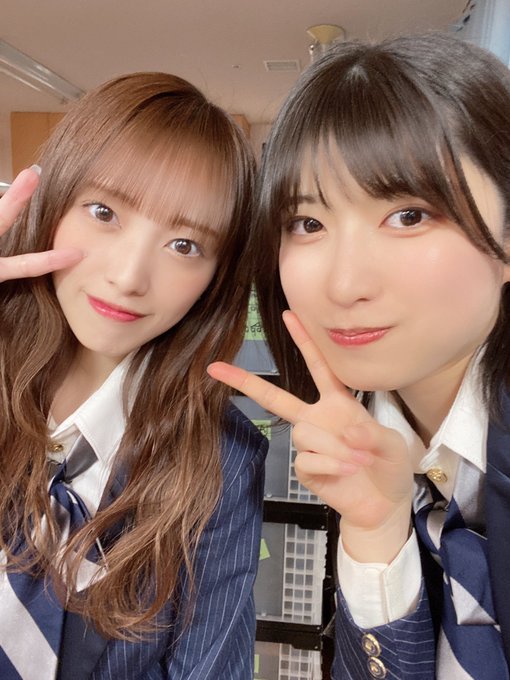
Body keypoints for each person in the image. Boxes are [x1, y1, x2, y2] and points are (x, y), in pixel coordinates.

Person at [208, 32, 510, 679]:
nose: (344, 284)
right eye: (308, 224)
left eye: (409, 215)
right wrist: (377, 535)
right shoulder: (366, 450)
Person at [0, 72, 267, 680]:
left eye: (185, 245)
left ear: (216, 280)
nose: (128, 277)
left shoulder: (221, 459)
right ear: (53, 203)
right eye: (104, 212)